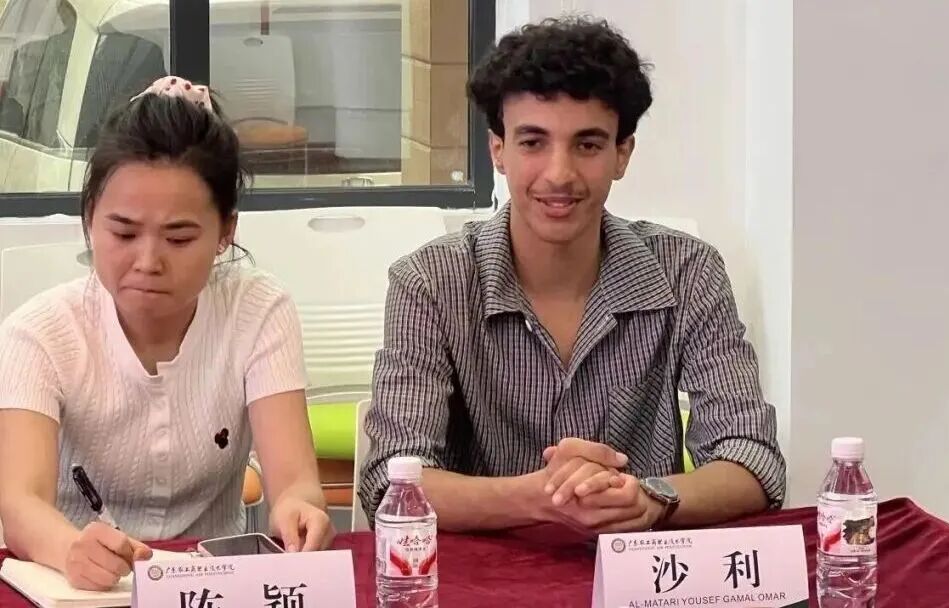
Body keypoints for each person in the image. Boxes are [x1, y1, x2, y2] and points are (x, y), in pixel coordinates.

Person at [359, 16, 785, 534]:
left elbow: (753, 460)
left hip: (638, 563)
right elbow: (392, 481)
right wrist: (542, 497)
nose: (559, 174)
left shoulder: (688, 271)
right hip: (488, 565)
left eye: (587, 145)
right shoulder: (429, 282)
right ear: (498, 150)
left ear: (622, 154)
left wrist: (649, 499)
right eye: (533, 142)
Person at [0, 76, 332, 591]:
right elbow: (21, 504)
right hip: (81, 588)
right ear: (90, 219)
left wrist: (299, 509)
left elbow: (295, 483)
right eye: (124, 232)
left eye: (179, 238)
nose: (148, 261)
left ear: (226, 232)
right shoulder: (38, 333)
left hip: (216, 585)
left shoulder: (259, 310)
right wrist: (71, 550)